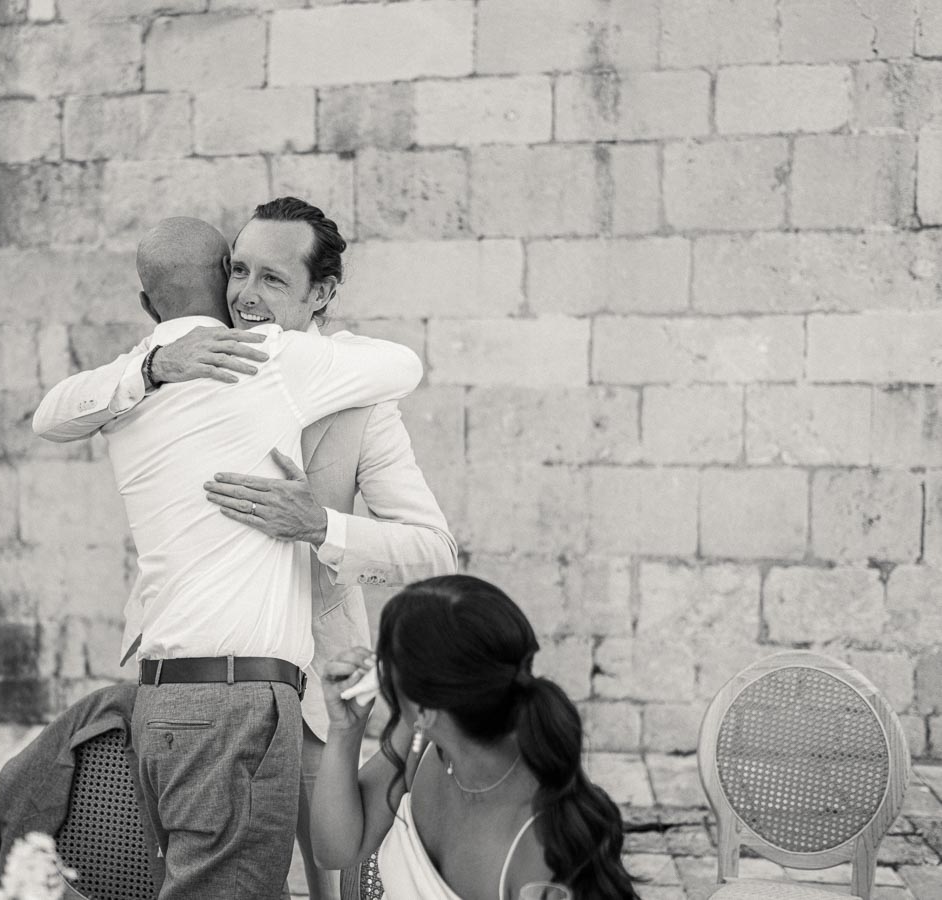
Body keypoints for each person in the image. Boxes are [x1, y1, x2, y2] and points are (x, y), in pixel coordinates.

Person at [33, 197, 457, 900]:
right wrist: (155, 364)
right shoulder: (175, 367)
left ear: (321, 293)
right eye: (238, 271)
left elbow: (434, 551)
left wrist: (323, 526)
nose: (245, 296)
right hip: (194, 686)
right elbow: (55, 412)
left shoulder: (359, 391)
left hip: (320, 696)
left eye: (272, 279)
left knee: (335, 885)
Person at [312, 575, 638, 900]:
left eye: (388, 663)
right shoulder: (422, 741)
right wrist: (344, 730)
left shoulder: (535, 852)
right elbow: (336, 851)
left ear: (424, 709)